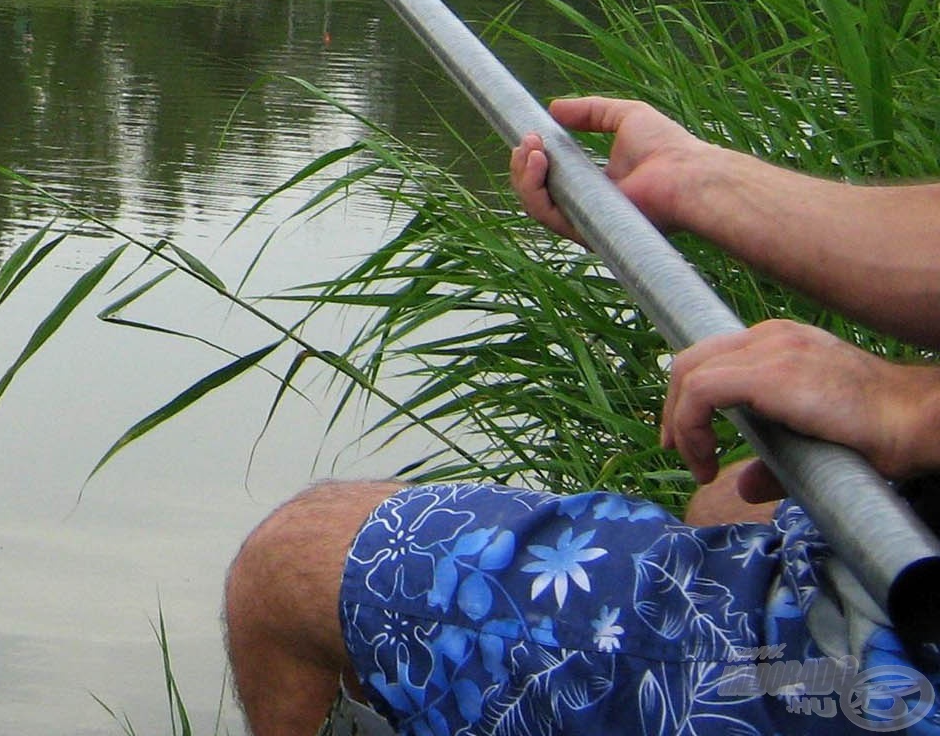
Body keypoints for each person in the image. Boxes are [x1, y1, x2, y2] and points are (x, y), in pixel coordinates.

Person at [224, 95, 940, 736]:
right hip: (905, 539)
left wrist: (907, 410)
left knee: (292, 565)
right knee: (725, 505)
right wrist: (694, 178)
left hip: (905, 646)